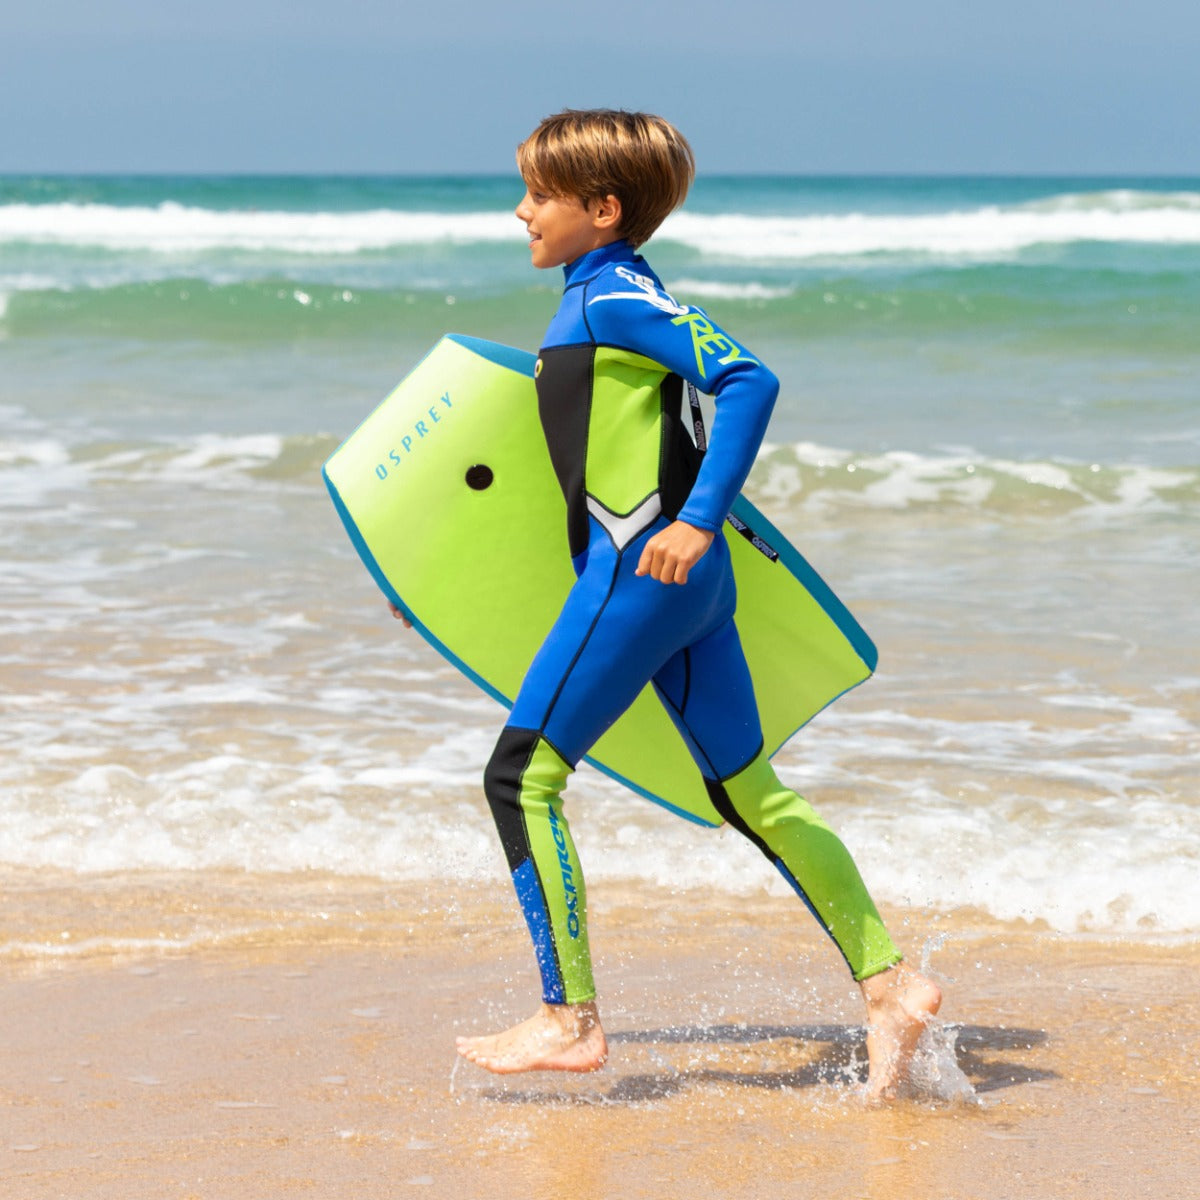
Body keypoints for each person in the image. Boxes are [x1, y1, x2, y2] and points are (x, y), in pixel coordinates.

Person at [404, 109, 941, 1100]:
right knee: (749, 790)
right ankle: (889, 982)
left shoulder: (610, 297)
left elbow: (746, 377)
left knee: (521, 777)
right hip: (682, 589)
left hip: (640, 573)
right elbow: (569, 468)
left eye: (539, 193)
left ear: (601, 209)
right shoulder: (613, 293)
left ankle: (569, 1019)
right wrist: (442, 583)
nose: (520, 209)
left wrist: (697, 519)